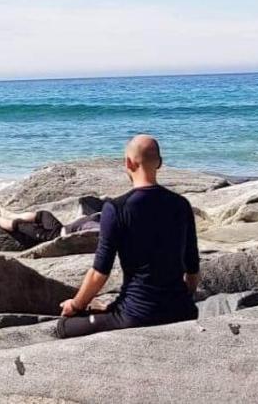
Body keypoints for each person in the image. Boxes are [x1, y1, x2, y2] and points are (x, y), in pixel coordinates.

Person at [56, 135, 200, 339]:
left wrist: (76, 304)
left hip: (135, 316)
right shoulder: (181, 204)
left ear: (128, 163)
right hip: (182, 311)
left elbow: (100, 273)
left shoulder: (116, 208)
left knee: (64, 327)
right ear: (159, 163)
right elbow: (193, 269)